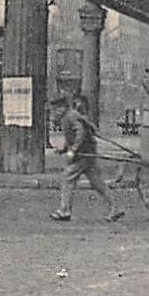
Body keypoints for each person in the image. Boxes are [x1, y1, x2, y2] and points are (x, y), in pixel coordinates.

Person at [50, 94, 123, 223]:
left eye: (56, 109)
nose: (54, 113)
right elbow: (71, 137)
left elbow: (80, 132)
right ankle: (116, 208)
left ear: (62, 107)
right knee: (97, 183)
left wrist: (73, 150)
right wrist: (63, 149)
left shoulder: (70, 116)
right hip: (87, 152)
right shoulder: (69, 116)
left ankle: (64, 211)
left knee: (67, 178)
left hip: (83, 154)